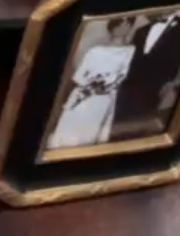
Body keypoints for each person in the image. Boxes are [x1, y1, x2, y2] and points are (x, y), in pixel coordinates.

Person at [45, 19, 136, 152]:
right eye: (120, 24)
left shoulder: (130, 51)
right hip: (83, 95)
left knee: (92, 130)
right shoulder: (95, 51)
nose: (123, 28)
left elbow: (123, 74)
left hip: (104, 97)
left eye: (127, 24)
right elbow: (78, 76)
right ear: (112, 27)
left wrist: (106, 85)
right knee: (72, 126)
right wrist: (90, 85)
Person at [112, 12, 180, 140]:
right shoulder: (140, 30)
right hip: (133, 81)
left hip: (160, 80)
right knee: (124, 117)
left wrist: (173, 80)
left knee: (147, 118)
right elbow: (133, 59)